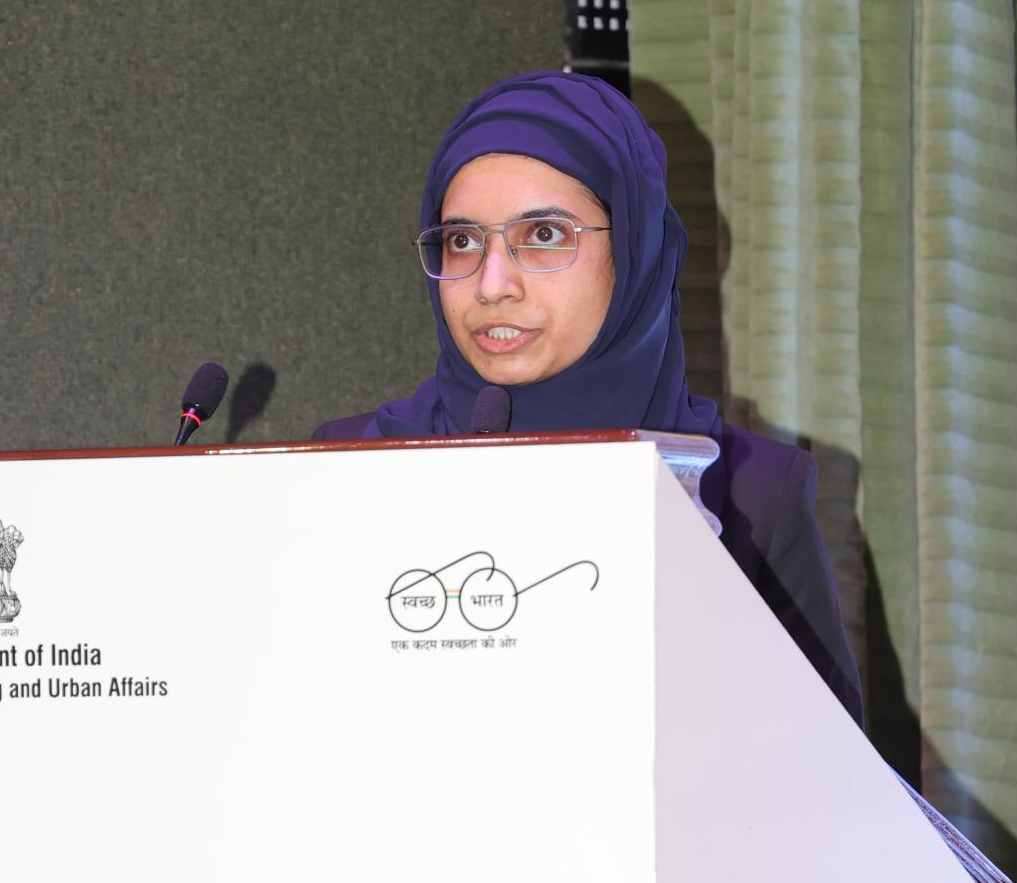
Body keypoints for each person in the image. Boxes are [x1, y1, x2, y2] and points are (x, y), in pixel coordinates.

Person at [319, 74, 862, 722]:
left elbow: (836, 773)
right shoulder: (346, 465)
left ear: (635, 250)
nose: (492, 285)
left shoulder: (748, 490)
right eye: (462, 241)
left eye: (544, 235)